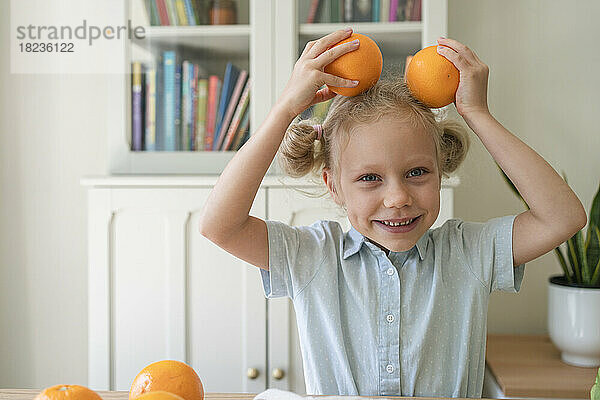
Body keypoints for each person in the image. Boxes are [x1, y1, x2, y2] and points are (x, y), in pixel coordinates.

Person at [198, 29, 587, 398]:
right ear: (333, 186)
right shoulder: (313, 255)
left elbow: (563, 217)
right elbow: (220, 225)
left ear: (441, 167)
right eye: (369, 178)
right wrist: (284, 110)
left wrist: (477, 113)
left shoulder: (467, 252)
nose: (398, 197)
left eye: (417, 172)